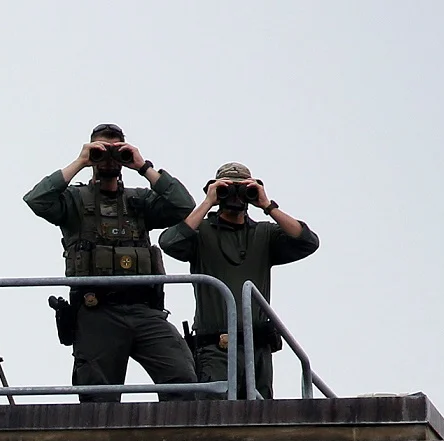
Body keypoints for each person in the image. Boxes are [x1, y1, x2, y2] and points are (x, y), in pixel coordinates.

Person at [24, 123, 198, 401]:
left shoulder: (139, 201)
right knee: (98, 394)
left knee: (183, 378)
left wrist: (142, 166)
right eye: (101, 151)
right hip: (97, 312)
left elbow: (183, 205)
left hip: (144, 310)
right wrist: (81, 161)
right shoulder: (74, 202)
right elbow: (37, 200)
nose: (108, 158)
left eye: (116, 151)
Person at [159, 162, 321, 397]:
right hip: (216, 347)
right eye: (227, 189)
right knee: (216, 416)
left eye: (242, 189)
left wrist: (267, 204)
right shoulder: (201, 232)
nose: (234, 196)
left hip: (258, 349)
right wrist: (207, 203)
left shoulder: (265, 234)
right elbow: (169, 242)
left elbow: (308, 241)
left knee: (261, 416)